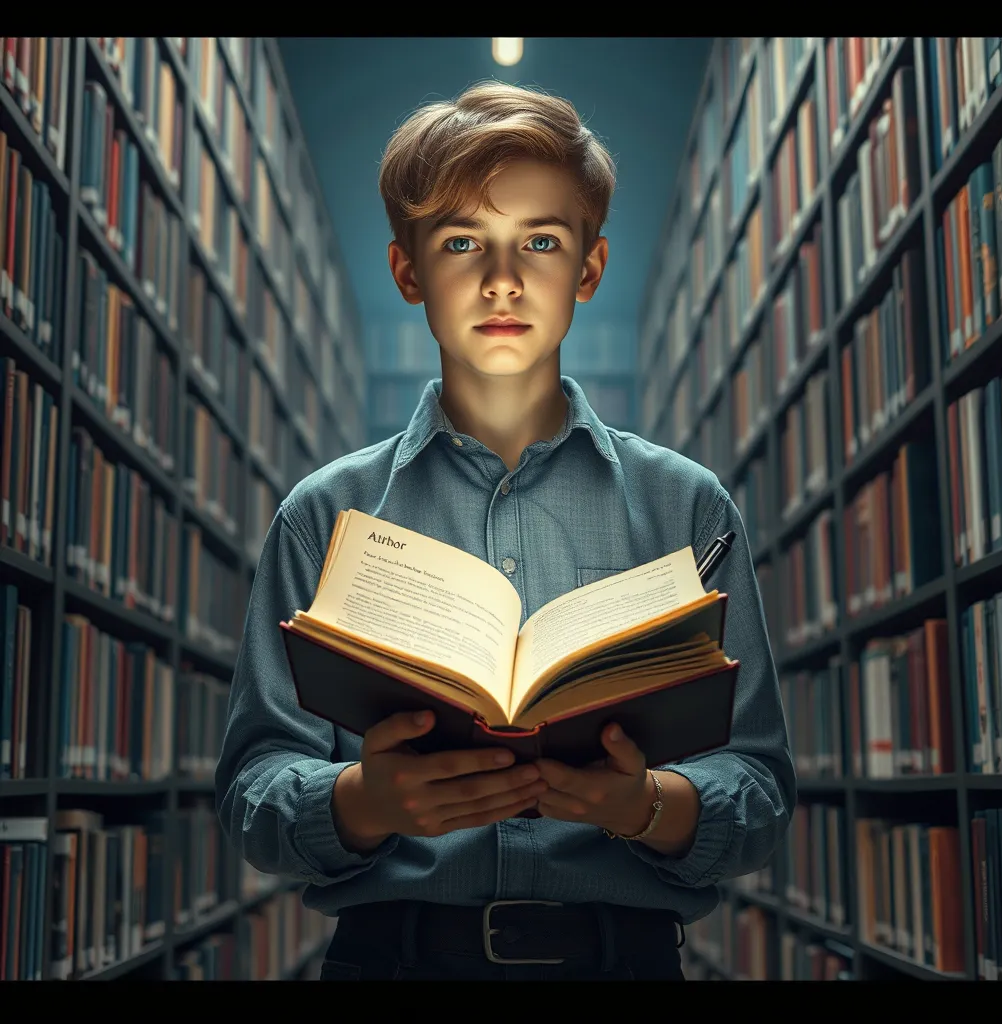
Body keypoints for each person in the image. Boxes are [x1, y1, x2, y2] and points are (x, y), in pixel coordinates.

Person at [215, 79, 795, 982]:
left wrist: (643, 805)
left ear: (589, 270)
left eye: (541, 242)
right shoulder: (324, 516)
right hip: (393, 962)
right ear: (408, 272)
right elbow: (251, 793)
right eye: (461, 243)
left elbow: (758, 788)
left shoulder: (689, 508)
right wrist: (366, 801)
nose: (502, 280)